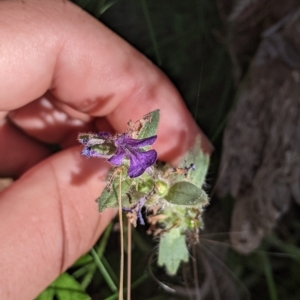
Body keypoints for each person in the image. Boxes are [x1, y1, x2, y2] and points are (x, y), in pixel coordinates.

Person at [0, 1, 211, 299]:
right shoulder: (121, 163)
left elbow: (148, 144)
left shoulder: (143, 155)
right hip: (129, 164)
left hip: (144, 165)